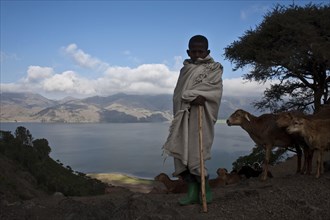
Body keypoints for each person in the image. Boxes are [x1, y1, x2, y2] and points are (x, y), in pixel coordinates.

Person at [163, 35, 223, 205]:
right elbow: (177, 96)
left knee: (197, 153)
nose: (197, 54)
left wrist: (203, 97)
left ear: (207, 51)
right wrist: (188, 98)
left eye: (201, 51)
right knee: (183, 155)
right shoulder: (185, 70)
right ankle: (192, 191)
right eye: (194, 51)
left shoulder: (214, 69)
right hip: (184, 118)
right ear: (188, 52)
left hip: (201, 116)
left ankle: (205, 189)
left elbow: (215, 92)